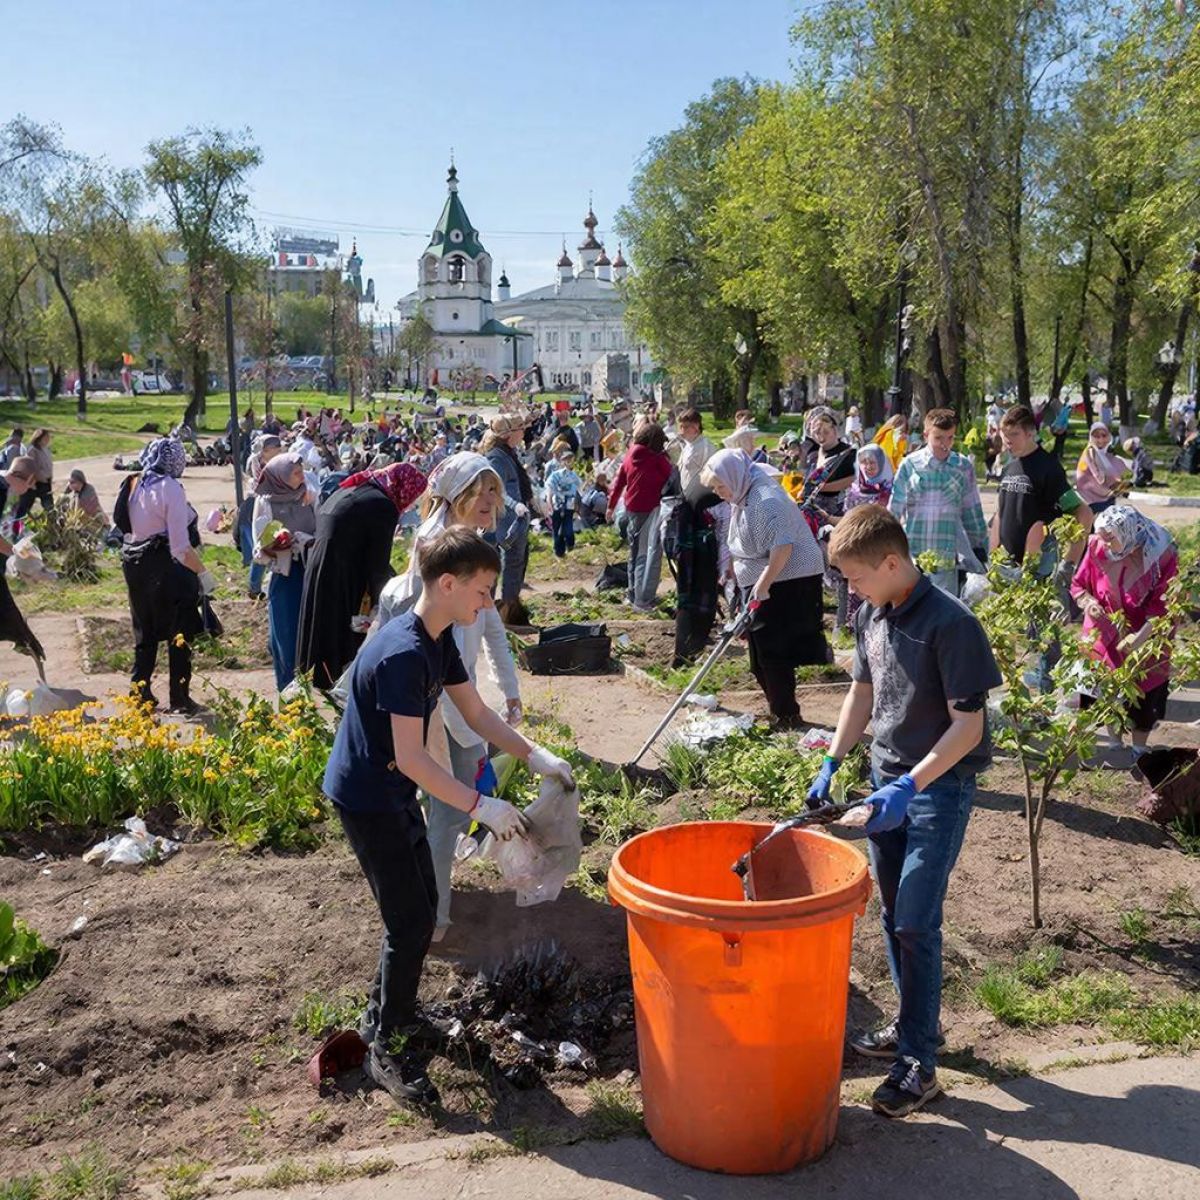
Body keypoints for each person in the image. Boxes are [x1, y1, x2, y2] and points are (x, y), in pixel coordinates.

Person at [324, 526, 575, 1105]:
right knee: (410, 922)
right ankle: (387, 1039)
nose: (489, 603)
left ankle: (390, 1012)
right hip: (367, 798)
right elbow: (411, 757)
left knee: (414, 913)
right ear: (446, 583)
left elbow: (478, 714)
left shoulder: (434, 639)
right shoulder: (404, 654)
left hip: (394, 793)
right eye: (483, 591)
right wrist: (481, 806)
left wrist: (535, 755)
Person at [817, 504, 1001, 1118]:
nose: (850, 589)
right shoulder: (876, 611)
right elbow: (862, 692)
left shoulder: (952, 625)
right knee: (896, 915)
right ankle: (913, 1027)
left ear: (892, 563)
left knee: (918, 922)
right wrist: (834, 761)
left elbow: (968, 728)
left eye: (855, 578)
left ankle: (920, 1065)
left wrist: (909, 790)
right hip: (882, 784)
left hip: (936, 792)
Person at [381, 455, 523, 940]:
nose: (490, 503)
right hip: (434, 708)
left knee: (443, 811)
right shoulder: (435, 553)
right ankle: (433, 918)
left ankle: (429, 896)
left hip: (456, 701)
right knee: (449, 811)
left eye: (495, 494)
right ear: (457, 493)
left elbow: (491, 628)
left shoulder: (472, 550)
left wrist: (510, 689)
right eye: (481, 492)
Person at [699, 449, 827, 727]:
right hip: (767, 580)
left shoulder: (765, 499)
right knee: (760, 656)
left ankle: (786, 716)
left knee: (773, 653)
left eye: (720, 485)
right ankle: (780, 711)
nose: (718, 492)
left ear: (733, 477)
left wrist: (763, 583)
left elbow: (783, 545)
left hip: (787, 581)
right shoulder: (744, 490)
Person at [296, 462, 427, 689]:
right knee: (342, 641)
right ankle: (337, 691)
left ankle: (314, 686)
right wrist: (389, 602)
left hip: (322, 568)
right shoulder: (382, 505)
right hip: (344, 575)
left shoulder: (353, 489)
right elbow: (377, 565)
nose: (410, 503)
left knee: (320, 632)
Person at [993, 405, 1093, 690]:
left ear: (1030, 433)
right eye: (1004, 435)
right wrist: (995, 550)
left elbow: (1083, 514)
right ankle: (1043, 677)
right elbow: (1002, 513)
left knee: (1045, 626)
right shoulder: (1010, 465)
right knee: (1029, 628)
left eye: (1013, 435)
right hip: (1010, 564)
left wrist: (1069, 563)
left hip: (1041, 564)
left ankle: (1050, 687)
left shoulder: (1048, 467)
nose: (1007, 441)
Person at [114, 437, 215, 714]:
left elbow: (126, 527)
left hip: (134, 563)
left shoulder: (134, 482)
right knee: (179, 634)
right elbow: (181, 547)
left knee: (144, 633)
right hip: (166, 569)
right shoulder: (171, 488)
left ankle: (140, 694)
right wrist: (203, 573)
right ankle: (180, 698)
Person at [1070, 505, 1178, 759]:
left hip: (1147, 632)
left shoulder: (1161, 556)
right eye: (1103, 537)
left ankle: (1139, 748)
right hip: (1103, 631)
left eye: (1111, 538)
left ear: (1129, 533)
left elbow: (1164, 607)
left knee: (1143, 688)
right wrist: (1089, 603)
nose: (1105, 544)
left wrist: (1139, 639)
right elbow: (1078, 585)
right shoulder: (1097, 546)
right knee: (1101, 685)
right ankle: (1114, 742)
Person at [888, 409, 988, 596]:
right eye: (938, 438)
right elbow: (894, 509)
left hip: (946, 560)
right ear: (926, 435)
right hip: (913, 557)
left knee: (943, 612)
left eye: (950, 438)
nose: (944, 444)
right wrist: (887, 544)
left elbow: (972, 512)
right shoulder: (910, 465)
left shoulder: (962, 466)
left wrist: (980, 547)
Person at [252, 454, 318, 692]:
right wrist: (276, 546)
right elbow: (259, 549)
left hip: (310, 572)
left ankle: (308, 691)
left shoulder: (309, 496)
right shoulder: (266, 502)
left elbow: (321, 531)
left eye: (302, 470)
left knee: (310, 635)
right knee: (286, 637)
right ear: (280, 477)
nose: (301, 475)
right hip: (285, 576)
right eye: (295, 472)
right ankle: (288, 695)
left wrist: (305, 541)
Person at [607, 422, 673, 612]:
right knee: (649, 554)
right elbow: (672, 478)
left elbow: (619, 482)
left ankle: (633, 593)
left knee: (635, 553)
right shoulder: (658, 459)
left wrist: (611, 506)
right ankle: (643, 600)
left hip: (632, 510)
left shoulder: (629, 455)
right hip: (652, 511)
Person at [482, 414, 534, 626]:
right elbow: (497, 490)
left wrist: (530, 499)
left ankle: (504, 613)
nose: (524, 432)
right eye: (520, 428)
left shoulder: (508, 453)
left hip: (513, 521)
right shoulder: (497, 457)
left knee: (514, 565)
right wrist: (516, 505)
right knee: (502, 566)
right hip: (503, 523)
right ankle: (501, 615)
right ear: (508, 434)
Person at [0, 457, 47, 663]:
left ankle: (21, 638)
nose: (31, 489)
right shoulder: (1, 490)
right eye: (32, 484)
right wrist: (16, 553)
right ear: (27, 478)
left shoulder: (3, 486)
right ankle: (22, 639)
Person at [1075, 422, 1128, 514]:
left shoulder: (1105, 451)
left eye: (1104, 435)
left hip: (1104, 495)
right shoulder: (1090, 451)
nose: (1101, 439)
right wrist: (1117, 487)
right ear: (1091, 437)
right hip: (1091, 497)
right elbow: (1098, 475)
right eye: (1096, 436)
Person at [670, 408, 717, 501]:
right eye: (680, 427)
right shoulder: (689, 443)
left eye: (686, 427)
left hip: (698, 497)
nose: (682, 431)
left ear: (696, 427)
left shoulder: (703, 447)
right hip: (686, 495)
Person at [545, 449, 581, 558]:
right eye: (566, 460)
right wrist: (549, 503)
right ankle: (558, 550)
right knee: (557, 528)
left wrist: (577, 505)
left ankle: (570, 543)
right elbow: (550, 490)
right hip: (557, 505)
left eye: (571, 461)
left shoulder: (574, 476)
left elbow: (578, 491)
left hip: (569, 505)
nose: (569, 463)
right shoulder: (555, 475)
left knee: (568, 527)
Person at [15, 429, 53, 517]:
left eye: (49, 437)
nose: (48, 439)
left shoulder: (46, 449)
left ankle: (51, 526)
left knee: (49, 507)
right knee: (24, 507)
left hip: (45, 482)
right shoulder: (32, 450)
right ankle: (15, 525)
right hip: (34, 483)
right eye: (46, 437)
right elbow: (29, 467)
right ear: (39, 438)